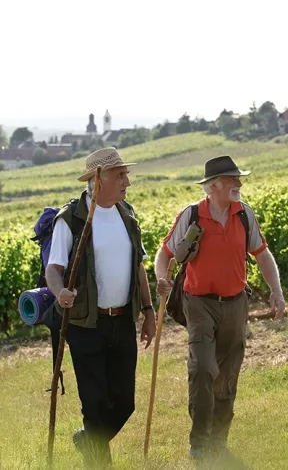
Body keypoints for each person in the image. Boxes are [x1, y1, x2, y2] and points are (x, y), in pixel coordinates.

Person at [155, 155, 285, 461]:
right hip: (198, 303)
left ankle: (218, 439)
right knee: (202, 368)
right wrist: (162, 277)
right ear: (213, 186)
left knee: (226, 374)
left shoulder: (244, 214)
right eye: (231, 180)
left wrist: (277, 291)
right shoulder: (191, 216)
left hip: (236, 304)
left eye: (238, 179)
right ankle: (199, 440)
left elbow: (262, 255)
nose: (238, 184)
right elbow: (165, 254)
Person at [45, 147, 156, 468]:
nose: (127, 181)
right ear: (98, 179)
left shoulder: (127, 214)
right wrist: (60, 292)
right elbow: (54, 268)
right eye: (120, 175)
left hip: (122, 322)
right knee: (94, 405)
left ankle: (87, 440)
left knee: (124, 404)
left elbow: (139, 266)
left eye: (126, 174)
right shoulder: (71, 220)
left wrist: (148, 312)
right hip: (85, 325)